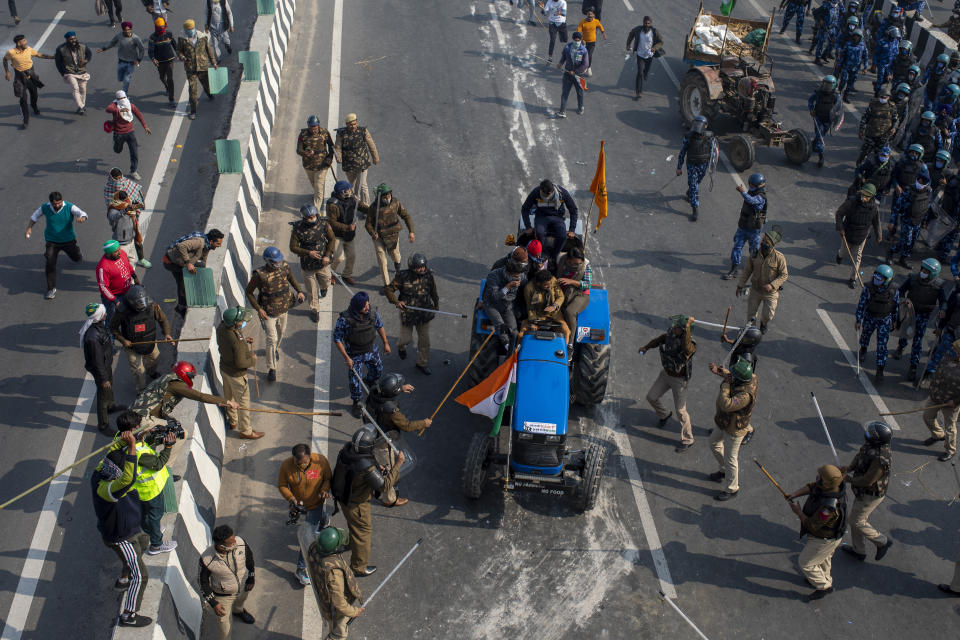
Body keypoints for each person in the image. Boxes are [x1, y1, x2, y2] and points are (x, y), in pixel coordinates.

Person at [91, 430, 152, 627]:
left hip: (132, 529)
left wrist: (128, 439)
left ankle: (123, 580)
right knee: (141, 575)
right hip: (121, 537)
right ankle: (129, 615)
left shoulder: (102, 469)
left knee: (143, 543)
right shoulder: (108, 489)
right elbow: (128, 479)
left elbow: (113, 451)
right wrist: (133, 448)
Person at [332, 425, 405, 576]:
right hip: (357, 505)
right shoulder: (365, 466)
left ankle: (352, 544)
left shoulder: (347, 452)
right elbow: (384, 486)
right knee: (363, 533)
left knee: (354, 527)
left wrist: (377, 467)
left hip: (344, 498)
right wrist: (397, 465)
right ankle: (359, 567)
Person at [111, 411, 178, 555]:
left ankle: (150, 529)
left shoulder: (119, 438)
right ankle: (156, 545)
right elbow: (159, 463)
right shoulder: (138, 453)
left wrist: (145, 435)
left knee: (145, 514)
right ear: (133, 429)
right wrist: (168, 447)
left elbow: (139, 443)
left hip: (136, 490)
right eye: (139, 426)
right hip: (149, 490)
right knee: (155, 515)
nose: (142, 427)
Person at [365, 372, 430, 505]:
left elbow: (386, 390)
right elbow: (406, 425)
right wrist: (424, 423)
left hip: (372, 431)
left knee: (379, 464)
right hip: (382, 442)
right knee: (388, 470)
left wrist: (400, 388)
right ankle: (389, 499)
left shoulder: (374, 392)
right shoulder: (390, 410)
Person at [785, 465, 848, 601]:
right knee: (824, 559)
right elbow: (812, 486)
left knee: (805, 562)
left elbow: (812, 525)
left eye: (820, 477)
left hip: (823, 539)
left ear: (826, 482)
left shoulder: (829, 507)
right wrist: (795, 494)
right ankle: (824, 578)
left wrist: (798, 512)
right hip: (831, 538)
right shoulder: (832, 487)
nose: (817, 478)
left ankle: (823, 586)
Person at [130, 361, 237, 440]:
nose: (191, 380)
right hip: (145, 419)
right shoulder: (177, 385)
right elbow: (200, 396)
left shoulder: (168, 377)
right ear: (183, 374)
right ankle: (167, 466)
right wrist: (227, 402)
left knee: (172, 423)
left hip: (136, 412)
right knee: (181, 434)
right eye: (190, 377)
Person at [245, 247, 305, 382]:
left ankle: (275, 350)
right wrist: (258, 309)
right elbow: (249, 292)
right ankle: (272, 368)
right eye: (275, 262)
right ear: (268, 261)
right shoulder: (259, 275)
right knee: (271, 339)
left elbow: (292, 279)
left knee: (281, 333)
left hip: (284, 309)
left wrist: (299, 291)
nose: (278, 263)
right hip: (269, 313)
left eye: (279, 261)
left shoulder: (285, 266)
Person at [639, 316, 696, 453]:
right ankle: (664, 414)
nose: (673, 329)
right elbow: (659, 340)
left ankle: (688, 439)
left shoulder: (690, 343)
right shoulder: (671, 334)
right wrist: (646, 347)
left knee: (681, 411)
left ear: (683, 331)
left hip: (679, 380)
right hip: (666, 375)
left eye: (677, 328)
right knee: (651, 397)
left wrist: (687, 327)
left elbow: (687, 349)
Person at [839, 421, 894, 563]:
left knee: (856, 521)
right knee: (856, 520)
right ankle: (859, 550)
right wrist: (849, 468)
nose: (867, 435)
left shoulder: (880, 459)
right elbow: (860, 456)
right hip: (862, 491)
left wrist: (848, 479)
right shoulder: (872, 445)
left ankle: (882, 541)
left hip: (870, 494)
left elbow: (868, 481)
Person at [277, 443, 332, 585]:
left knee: (307, 537)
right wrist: (291, 498)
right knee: (313, 529)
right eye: (298, 463)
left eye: (305, 462)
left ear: (309, 456)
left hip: (316, 504)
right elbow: (282, 485)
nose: (302, 466)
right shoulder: (286, 466)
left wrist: (325, 490)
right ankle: (323, 520)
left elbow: (327, 478)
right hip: (300, 504)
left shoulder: (321, 461)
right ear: (294, 458)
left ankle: (301, 568)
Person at [706, 356, 758, 501]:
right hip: (724, 421)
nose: (731, 376)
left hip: (734, 429)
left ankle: (732, 487)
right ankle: (724, 471)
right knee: (713, 443)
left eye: (733, 376)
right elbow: (733, 375)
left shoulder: (744, 395)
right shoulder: (750, 376)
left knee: (731, 459)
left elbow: (726, 404)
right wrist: (720, 372)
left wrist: (725, 385)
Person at [335, 292, 390, 418]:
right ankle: (357, 402)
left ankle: (370, 381)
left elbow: (380, 326)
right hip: (354, 355)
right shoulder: (345, 320)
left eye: (367, 304)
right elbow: (337, 339)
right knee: (355, 382)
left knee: (378, 370)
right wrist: (347, 358)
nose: (367, 307)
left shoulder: (372, 313)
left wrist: (385, 343)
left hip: (371, 349)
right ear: (356, 308)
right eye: (364, 306)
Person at [25, 191, 88, 300]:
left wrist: (81, 218)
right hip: (52, 241)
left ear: (62, 200)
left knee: (76, 257)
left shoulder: (69, 206)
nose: (58, 205)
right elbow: (34, 217)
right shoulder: (45, 207)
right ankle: (51, 288)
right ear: (51, 203)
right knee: (50, 262)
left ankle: (77, 253)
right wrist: (29, 228)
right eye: (55, 203)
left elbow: (82, 213)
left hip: (68, 240)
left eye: (60, 202)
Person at [199, 524, 256, 639]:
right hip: (223, 596)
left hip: (243, 585)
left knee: (241, 600)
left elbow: (250, 559)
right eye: (231, 542)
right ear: (221, 546)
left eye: (234, 539)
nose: (235, 543)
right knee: (225, 629)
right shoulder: (207, 559)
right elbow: (203, 582)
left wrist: (251, 577)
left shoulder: (240, 542)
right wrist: (214, 603)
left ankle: (238, 610)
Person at [385, 253, 439, 375]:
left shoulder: (429, 275)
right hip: (408, 313)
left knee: (425, 342)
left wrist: (436, 306)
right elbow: (388, 290)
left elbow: (433, 292)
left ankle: (422, 363)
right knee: (405, 339)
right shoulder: (402, 276)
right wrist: (396, 302)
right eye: (419, 267)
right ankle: (401, 347)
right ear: (412, 267)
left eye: (423, 266)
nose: (422, 269)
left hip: (423, 313)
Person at [111, 285, 172, 392]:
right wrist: (123, 340)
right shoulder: (122, 311)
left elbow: (163, 319)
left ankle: (151, 372)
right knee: (139, 371)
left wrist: (167, 333)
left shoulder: (151, 305)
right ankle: (141, 390)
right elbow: (113, 328)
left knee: (155, 359)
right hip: (132, 345)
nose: (142, 306)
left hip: (150, 341)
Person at [305, 526, 364, 636]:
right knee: (338, 635)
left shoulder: (315, 547)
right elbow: (339, 603)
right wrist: (354, 612)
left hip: (325, 595)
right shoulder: (334, 573)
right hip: (334, 611)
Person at [216, 305, 263, 439]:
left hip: (224, 369)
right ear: (234, 323)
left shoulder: (221, 328)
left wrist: (244, 341)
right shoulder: (236, 340)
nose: (242, 322)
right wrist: (253, 360)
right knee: (243, 403)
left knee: (229, 397)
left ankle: (233, 421)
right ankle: (246, 430)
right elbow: (241, 363)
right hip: (237, 375)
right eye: (240, 321)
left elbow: (233, 340)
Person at [895, 259, 945, 381]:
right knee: (905, 333)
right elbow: (900, 291)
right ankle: (900, 347)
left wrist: (943, 309)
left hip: (923, 315)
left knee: (917, 341)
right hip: (910, 312)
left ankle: (913, 366)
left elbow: (943, 301)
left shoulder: (938, 286)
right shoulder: (913, 278)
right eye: (922, 269)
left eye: (926, 271)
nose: (923, 272)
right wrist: (903, 300)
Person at [362, 183, 415, 290]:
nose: (387, 198)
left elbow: (406, 216)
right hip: (379, 237)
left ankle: (397, 265)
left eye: (389, 195)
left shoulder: (396, 203)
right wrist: (373, 233)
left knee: (395, 255)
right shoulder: (373, 208)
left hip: (393, 235)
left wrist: (411, 231)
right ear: (379, 197)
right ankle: (387, 285)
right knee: (382, 260)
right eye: (384, 196)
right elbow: (368, 224)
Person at [736, 227, 787, 334]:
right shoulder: (754, 254)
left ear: (772, 245)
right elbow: (747, 270)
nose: (763, 243)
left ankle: (764, 323)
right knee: (751, 315)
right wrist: (740, 285)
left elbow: (784, 275)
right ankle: (752, 331)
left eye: (766, 242)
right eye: (763, 240)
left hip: (770, 293)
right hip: (756, 290)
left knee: (768, 315)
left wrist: (772, 285)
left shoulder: (779, 258)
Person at [289, 204, 335, 323]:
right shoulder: (298, 228)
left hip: (323, 262)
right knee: (311, 290)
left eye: (314, 216)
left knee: (326, 281)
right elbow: (293, 247)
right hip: (307, 265)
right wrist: (308, 252)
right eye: (309, 217)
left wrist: (328, 255)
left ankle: (324, 288)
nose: (312, 218)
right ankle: (314, 310)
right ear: (304, 218)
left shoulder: (324, 223)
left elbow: (332, 239)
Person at [162, 228, 224, 315]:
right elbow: (181, 246)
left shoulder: (207, 245)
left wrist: (203, 274)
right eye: (218, 243)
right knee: (182, 282)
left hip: (179, 261)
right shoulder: (199, 242)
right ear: (211, 241)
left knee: (199, 268)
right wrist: (188, 263)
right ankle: (181, 307)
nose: (219, 246)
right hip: (171, 262)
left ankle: (190, 298)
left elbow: (203, 259)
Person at [82, 303, 123, 432]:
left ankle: (110, 407)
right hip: (101, 369)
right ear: (99, 316)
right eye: (103, 313)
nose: (106, 314)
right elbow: (97, 360)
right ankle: (103, 425)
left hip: (105, 365)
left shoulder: (99, 326)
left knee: (109, 386)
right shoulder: (92, 337)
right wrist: (103, 378)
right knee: (103, 395)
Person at [520, 179, 578, 267]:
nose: (545, 196)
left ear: (552, 192)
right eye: (543, 194)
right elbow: (525, 209)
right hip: (542, 217)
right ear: (541, 190)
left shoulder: (562, 193)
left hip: (557, 217)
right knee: (539, 233)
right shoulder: (536, 192)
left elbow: (573, 210)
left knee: (562, 236)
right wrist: (528, 226)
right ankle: (544, 255)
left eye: (548, 194)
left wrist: (572, 229)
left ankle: (554, 256)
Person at [856, 264, 899, 383]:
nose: (877, 279)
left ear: (887, 280)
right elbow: (861, 304)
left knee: (882, 346)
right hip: (870, 317)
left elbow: (895, 306)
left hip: (884, 320)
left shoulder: (894, 290)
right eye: (876, 276)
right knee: (865, 335)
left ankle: (880, 370)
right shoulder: (868, 288)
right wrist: (858, 319)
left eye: (881, 278)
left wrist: (895, 321)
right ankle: (863, 349)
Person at [836, 182, 882, 289]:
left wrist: (879, 235)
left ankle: (853, 278)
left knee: (857, 257)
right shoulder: (851, 202)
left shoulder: (874, 207)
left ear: (872, 197)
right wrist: (841, 228)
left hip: (862, 236)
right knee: (844, 251)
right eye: (863, 194)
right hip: (848, 233)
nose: (864, 197)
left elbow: (876, 222)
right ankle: (839, 256)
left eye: (867, 196)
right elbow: (839, 213)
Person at [723, 173, 767, 281]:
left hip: (754, 230)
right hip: (743, 226)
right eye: (750, 184)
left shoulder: (761, 197)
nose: (750, 186)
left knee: (754, 252)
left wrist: (743, 192)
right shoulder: (751, 192)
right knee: (737, 247)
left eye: (753, 184)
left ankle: (757, 273)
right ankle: (734, 269)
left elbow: (752, 201)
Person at [3, 34, 53, 129]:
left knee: (34, 95)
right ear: (19, 43)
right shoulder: (11, 52)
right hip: (19, 78)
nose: (26, 42)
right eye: (24, 41)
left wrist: (53, 57)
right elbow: (5, 60)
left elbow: (39, 55)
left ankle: (34, 106)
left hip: (31, 76)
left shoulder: (28, 49)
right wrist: (7, 72)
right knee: (23, 99)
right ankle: (25, 120)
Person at [922, 338, 960, 462]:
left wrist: (955, 402)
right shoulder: (948, 356)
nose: (952, 349)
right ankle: (938, 435)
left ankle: (950, 450)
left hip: (951, 402)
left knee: (950, 427)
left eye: (955, 349)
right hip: (937, 395)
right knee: (927, 416)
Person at [482, 253, 528, 351]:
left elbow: (525, 286)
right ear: (508, 273)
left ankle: (518, 350)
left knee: (514, 331)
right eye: (515, 277)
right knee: (501, 325)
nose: (517, 279)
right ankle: (507, 346)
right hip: (492, 305)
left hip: (507, 305)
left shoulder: (522, 276)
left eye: (518, 276)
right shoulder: (494, 276)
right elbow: (494, 297)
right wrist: (507, 287)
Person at [676, 115, 717, 220]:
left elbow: (713, 153)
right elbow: (682, 152)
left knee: (696, 182)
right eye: (696, 124)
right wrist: (679, 167)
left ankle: (690, 191)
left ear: (706, 126)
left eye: (700, 124)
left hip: (703, 164)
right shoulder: (688, 136)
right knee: (694, 185)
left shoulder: (710, 137)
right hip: (692, 164)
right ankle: (695, 208)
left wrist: (711, 170)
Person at [334, 113, 379, 206]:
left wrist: (375, 157)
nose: (353, 126)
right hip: (349, 165)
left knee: (362, 186)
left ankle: (366, 206)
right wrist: (338, 156)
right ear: (347, 124)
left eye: (354, 123)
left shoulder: (363, 131)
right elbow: (337, 147)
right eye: (350, 124)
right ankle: (357, 204)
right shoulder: (341, 134)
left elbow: (371, 145)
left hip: (362, 164)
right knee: (352, 185)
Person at [888, 174, 932, 269]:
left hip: (918, 220)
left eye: (924, 183)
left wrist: (925, 221)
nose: (922, 184)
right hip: (907, 219)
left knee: (912, 242)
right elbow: (897, 207)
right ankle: (891, 252)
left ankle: (903, 258)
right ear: (918, 180)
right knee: (906, 241)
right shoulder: (909, 190)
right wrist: (892, 221)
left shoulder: (928, 191)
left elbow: (926, 206)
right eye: (921, 182)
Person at [176, 19, 217, 120]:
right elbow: (178, 51)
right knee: (192, 90)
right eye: (188, 29)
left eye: (191, 29)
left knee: (207, 85)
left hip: (203, 67)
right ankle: (193, 110)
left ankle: (209, 94)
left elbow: (209, 50)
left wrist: (214, 62)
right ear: (185, 30)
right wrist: (182, 57)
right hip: (191, 68)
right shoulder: (182, 39)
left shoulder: (202, 37)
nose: (190, 31)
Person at [106, 90, 151, 181]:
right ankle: (116, 144)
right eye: (120, 98)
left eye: (124, 98)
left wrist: (145, 126)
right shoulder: (114, 105)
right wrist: (118, 110)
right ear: (117, 99)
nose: (123, 100)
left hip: (130, 133)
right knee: (117, 150)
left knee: (134, 152)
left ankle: (133, 170)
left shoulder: (130, 105)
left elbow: (139, 115)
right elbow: (108, 109)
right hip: (119, 133)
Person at [296, 115, 335, 210]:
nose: (314, 129)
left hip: (322, 165)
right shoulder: (303, 134)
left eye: (315, 127)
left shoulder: (324, 133)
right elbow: (298, 150)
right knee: (314, 184)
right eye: (311, 127)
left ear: (318, 125)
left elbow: (331, 146)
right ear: (308, 126)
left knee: (318, 186)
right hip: (309, 165)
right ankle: (318, 194)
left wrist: (330, 157)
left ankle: (315, 209)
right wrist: (305, 153)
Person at [521, 268, 571, 344]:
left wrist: (554, 306)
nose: (549, 286)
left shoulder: (553, 280)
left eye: (550, 283)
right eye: (546, 285)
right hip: (538, 316)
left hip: (555, 315)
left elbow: (561, 296)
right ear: (538, 284)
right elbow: (530, 308)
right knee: (523, 334)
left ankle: (564, 353)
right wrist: (533, 322)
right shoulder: (529, 288)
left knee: (566, 331)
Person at [97, 239, 140, 324]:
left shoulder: (122, 254)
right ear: (109, 254)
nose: (119, 252)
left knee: (129, 310)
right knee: (112, 317)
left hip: (127, 290)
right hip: (114, 296)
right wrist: (115, 301)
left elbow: (128, 265)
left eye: (119, 249)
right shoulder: (103, 267)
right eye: (116, 251)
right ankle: (111, 334)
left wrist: (134, 276)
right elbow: (103, 287)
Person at [327, 180, 360, 285]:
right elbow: (332, 223)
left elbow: (361, 206)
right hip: (337, 235)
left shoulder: (350, 199)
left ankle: (347, 275)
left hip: (349, 234)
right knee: (338, 258)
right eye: (347, 189)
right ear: (341, 192)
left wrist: (373, 210)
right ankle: (331, 273)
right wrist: (347, 227)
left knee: (352, 256)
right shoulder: (332, 205)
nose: (349, 191)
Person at [97, 22, 145, 94]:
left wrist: (139, 59)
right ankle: (125, 77)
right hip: (121, 60)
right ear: (123, 30)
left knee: (126, 79)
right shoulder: (119, 36)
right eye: (125, 30)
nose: (127, 31)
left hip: (131, 62)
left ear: (131, 29)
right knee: (120, 78)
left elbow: (142, 49)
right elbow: (112, 43)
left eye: (129, 29)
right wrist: (103, 48)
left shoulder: (135, 38)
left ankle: (125, 95)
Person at [107, 189, 150, 268]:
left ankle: (138, 264)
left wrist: (135, 204)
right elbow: (113, 217)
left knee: (132, 258)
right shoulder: (113, 208)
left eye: (127, 199)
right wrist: (124, 210)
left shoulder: (127, 203)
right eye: (124, 200)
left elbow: (131, 207)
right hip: (122, 240)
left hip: (131, 235)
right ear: (119, 200)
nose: (127, 201)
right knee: (121, 260)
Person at [54, 31, 93, 115]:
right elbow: (58, 62)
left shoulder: (83, 46)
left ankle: (81, 106)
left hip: (82, 72)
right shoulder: (61, 49)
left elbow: (89, 54)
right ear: (67, 40)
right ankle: (82, 106)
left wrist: (86, 60)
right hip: (69, 72)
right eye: (71, 39)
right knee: (75, 88)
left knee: (83, 90)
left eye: (74, 38)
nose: (73, 40)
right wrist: (62, 73)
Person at [556, 246, 592, 336]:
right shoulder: (560, 260)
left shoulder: (586, 266)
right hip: (561, 291)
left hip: (580, 294)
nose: (577, 265)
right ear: (569, 260)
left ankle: (570, 342)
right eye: (574, 263)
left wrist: (571, 282)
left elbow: (587, 284)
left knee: (569, 312)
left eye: (579, 263)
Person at [625, 16, 662, 100]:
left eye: (648, 23)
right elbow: (631, 34)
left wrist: (654, 48)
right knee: (640, 72)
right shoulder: (638, 30)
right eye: (645, 23)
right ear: (643, 23)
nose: (646, 25)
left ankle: (646, 73)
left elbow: (661, 41)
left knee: (646, 71)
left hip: (649, 55)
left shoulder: (654, 31)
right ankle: (638, 92)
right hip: (640, 55)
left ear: (651, 24)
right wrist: (628, 44)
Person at [808, 75, 841, 168]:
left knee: (821, 134)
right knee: (820, 135)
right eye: (825, 83)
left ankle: (814, 143)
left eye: (829, 85)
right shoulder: (818, 93)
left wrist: (836, 118)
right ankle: (821, 156)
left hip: (828, 120)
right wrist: (811, 109)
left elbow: (839, 108)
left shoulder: (836, 96)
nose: (826, 86)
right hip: (818, 117)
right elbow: (810, 100)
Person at [555, 31, 588, 118]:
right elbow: (564, 57)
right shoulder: (567, 47)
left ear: (581, 40)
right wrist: (560, 63)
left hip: (579, 75)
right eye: (575, 40)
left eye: (578, 40)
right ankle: (562, 111)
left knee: (580, 93)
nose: (577, 42)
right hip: (567, 74)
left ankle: (580, 107)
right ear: (573, 39)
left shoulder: (584, 51)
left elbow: (585, 65)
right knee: (565, 93)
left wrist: (576, 71)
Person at [148, 17, 178, 107]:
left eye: (162, 27)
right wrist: (153, 59)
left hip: (170, 60)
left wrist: (179, 53)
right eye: (159, 27)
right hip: (160, 62)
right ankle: (166, 87)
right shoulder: (153, 37)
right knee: (162, 77)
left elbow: (174, 44)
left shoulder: (169, 34)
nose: (161, 29)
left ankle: (171, 99)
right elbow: (150, 51)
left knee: (170, 79)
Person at [835, 28, 867, 102]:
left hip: (856, 68)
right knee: (843, 80)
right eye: (855, 36)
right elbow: (843, 55)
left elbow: (865, 56)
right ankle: (838, 94)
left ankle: (846, 96)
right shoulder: (848, 44)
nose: (856, 37)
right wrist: (838, 65)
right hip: (846, 66)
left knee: (851, 82)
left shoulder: (863, 46)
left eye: (858, 36)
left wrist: (865, 67)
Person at [871, 25, 900, 93]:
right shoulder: (882, 42)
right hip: (882, 64)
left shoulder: (896, 42)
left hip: (890, 65)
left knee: (887, 79)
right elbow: (876, 54)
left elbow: (896, 54)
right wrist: (874, 64)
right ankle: (877, 92)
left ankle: (877, 84)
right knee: (880, 78)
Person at [576, 9, 605, 75]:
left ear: (594, 15)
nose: (590, 16)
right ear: (586, 15)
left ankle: (588, 67)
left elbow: (600, 26)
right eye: (588, 14)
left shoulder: (596, 21)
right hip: (583, 42)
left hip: (592, 42)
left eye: (591, 14)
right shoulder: (582, 22)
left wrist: (603, 33)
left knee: (589, 55)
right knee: (580, 55)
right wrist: (581, 39)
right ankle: (578, 67)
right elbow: (578, 32)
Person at [813, 0, 841, 65]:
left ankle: (825, 54)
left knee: (832, 42)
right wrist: (820, 20)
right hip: (824, 28)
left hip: (832, 28)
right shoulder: (825, 6)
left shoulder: (837, 7)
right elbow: (815, 12)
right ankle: (817, 58)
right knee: (821, 43)